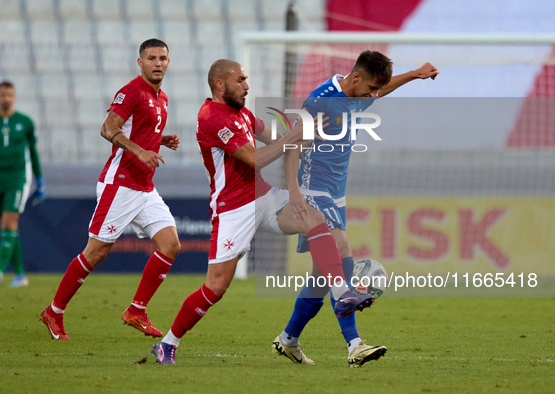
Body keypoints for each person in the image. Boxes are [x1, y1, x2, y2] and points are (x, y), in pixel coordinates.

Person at [150, 59, 375, 365]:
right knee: (216, 287)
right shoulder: (212, 117)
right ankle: (168, 343)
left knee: (315, 217)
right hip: (232, 210)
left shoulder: (242, 113)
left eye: (246, 79)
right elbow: (256, 158)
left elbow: (280, 139)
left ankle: (340, 291)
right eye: (240, 79)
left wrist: (306, 136)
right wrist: (295, 136)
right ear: (219, 84)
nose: (246, 85)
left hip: (264, 198)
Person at [273, 50, 439, 367]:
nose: (373, 95)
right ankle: (354, 345)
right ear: (357, 77)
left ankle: (288, 339)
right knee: (342, 254)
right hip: (312, 192)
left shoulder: (358, 92)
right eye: (371, 88)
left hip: (337, 195)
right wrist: (294, 193)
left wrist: (414, 73)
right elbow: (292, 147)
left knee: (323, 276)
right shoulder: (319, 102)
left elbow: (381, 91)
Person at [39, 38, 181, 340]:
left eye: (163, 58)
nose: (158, 63)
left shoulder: (162, 98)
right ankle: (54, 311)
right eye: (152, 58)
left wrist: (158, 141)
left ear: (169, 62)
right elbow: (108, 128)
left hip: (144, 186)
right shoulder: (131, 92)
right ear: (140, 62)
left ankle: (136, 311)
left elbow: (138, 132)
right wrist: (140, 152)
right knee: (96, 252)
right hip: (120, 184)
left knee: (171, 244)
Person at [0, 81, 45, 288]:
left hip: (18, 177)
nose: (6, 98)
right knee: (8, 228)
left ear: (14, 97)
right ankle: (20, 275)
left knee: (9, 223)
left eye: (9, 95)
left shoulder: (25, 122)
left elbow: (33, 153)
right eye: (2, 95)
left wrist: (39, 179)